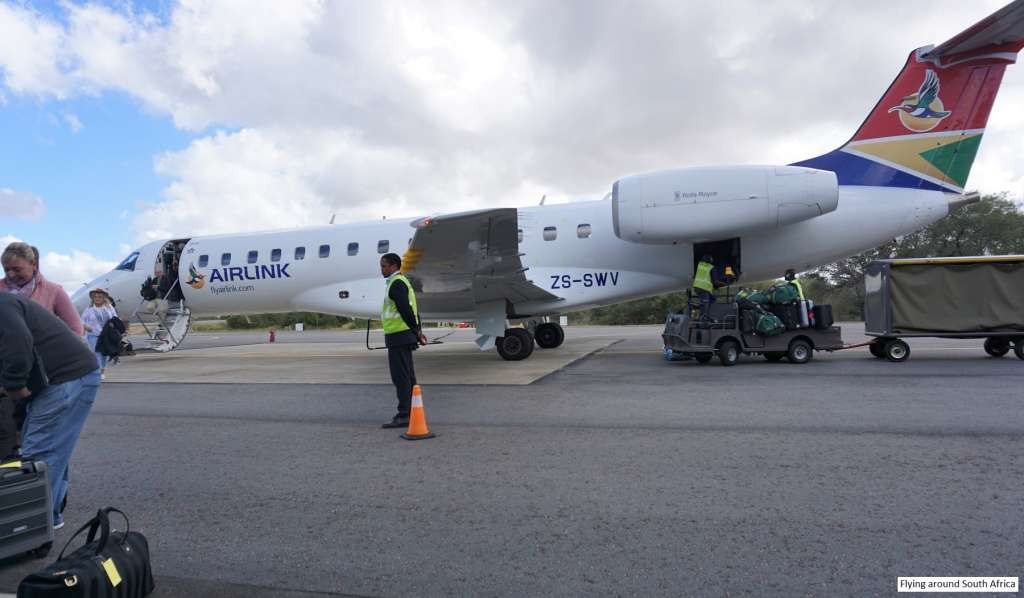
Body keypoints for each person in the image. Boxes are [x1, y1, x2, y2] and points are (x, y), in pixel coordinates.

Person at [0, 293, 100, 529]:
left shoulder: (2, 305)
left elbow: (18, 344)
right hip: (66, 377)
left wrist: (14, 386)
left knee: (39, 453)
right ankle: (47, 518)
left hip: (66, 378)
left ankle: (31, 527)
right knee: (51, 450)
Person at [378, 253, 427, 429]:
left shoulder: (396, 283)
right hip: (403, 336)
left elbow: (406, 310)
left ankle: (404, 415)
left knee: (401, 378)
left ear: (393, 266)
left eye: (384, 266)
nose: (381, 269)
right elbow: (413, 310)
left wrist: (416, 331)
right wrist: (418, 331)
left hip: (398, 336)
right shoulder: (402, 282)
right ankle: (413, 411)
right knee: (408, 377)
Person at [1, 242, 84, 336]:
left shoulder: (54, 291)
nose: (11, 275)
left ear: (33, 264)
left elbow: (76, 330)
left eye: (17, 270)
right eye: (6, 270)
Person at [81, 288, 118, 380]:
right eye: (95, 297)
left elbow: (115, 318)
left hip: (106, 335)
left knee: (104, 353)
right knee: (96, 352)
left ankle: (102, 371)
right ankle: (97, 372)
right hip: (93, 334)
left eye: (99, 297)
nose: (97, 298)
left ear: (104, 298)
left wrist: (113, 324)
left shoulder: (109, 308)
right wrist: (86, 326)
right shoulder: (89, 309)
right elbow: (81, 320)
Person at [692, 255, 716, 322]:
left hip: (697, 287)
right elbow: (714, 280)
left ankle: (705, 315)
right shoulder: (710, 267)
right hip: (704, 288)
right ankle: (703, 318)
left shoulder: (699, 265)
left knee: (712, 299)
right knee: (705, 303)